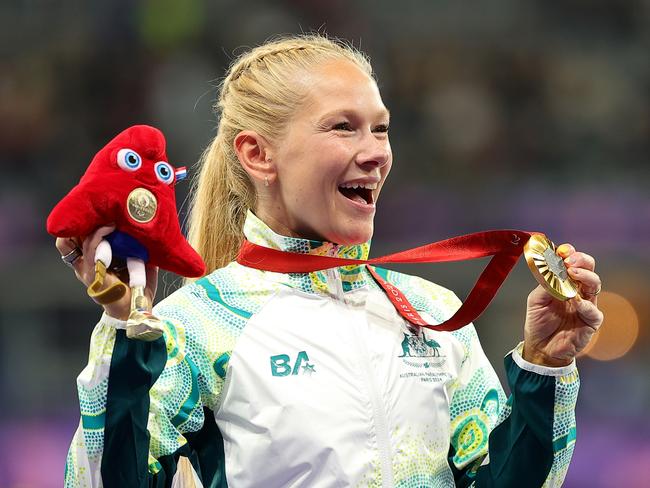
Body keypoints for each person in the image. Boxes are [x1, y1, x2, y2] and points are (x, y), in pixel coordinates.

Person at [55, 34, 603, 488]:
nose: (376, 152)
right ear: (258, 154)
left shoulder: (433, 313)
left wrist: (545, 368)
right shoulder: (198, 326)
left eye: (381, 128)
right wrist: (123, 337)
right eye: (344, 127)